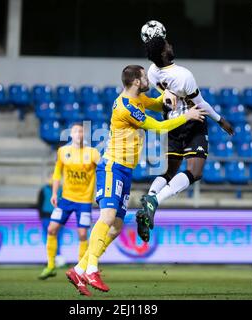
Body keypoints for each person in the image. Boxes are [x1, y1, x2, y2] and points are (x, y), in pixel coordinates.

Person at [65, 65, 207, 296]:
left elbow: (158, 103)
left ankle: (79, 269)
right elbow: (159, 127)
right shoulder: (126, 107)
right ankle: (92, 269)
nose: (147, 78)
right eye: (143, 76)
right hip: (112, 167)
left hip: (125, 171)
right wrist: (187, 115)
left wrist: (166, 94)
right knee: (108, 217)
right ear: (136, 82)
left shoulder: (138, 98)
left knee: (117, 227)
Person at [135, 36, 234, 242]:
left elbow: (166, 94)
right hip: (192, 121)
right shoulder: (184, 75)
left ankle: (149, 197)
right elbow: (200, 104)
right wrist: (220, 120)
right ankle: (155, 199)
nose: (171, 46)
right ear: (163, 53)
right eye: (167, 45)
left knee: (170, 172)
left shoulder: (153, 72)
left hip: (172, 122)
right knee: (195, 172)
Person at [40, 123, 100, 280]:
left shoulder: (92, 153)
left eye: (81, 131)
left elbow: (102, 171)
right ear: (70, 134)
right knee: (51, 229)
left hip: (84, 201)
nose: (78, 134)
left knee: (82, 234)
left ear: (84, 135)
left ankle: (80, 271)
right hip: (66, 199)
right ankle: (51, 265)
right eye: (75, 131)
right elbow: (57, 174)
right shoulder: (63, 152)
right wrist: (54, 193)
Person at [36, 176, 65, 275]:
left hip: (58, 216)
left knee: (58, 238)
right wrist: (40, 215)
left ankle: (58, 258)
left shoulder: (62, 190)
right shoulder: (43, 190)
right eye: (50, 177)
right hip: (46, 216)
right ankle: (51, 259)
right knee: (48, 237)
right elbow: (39, 203)